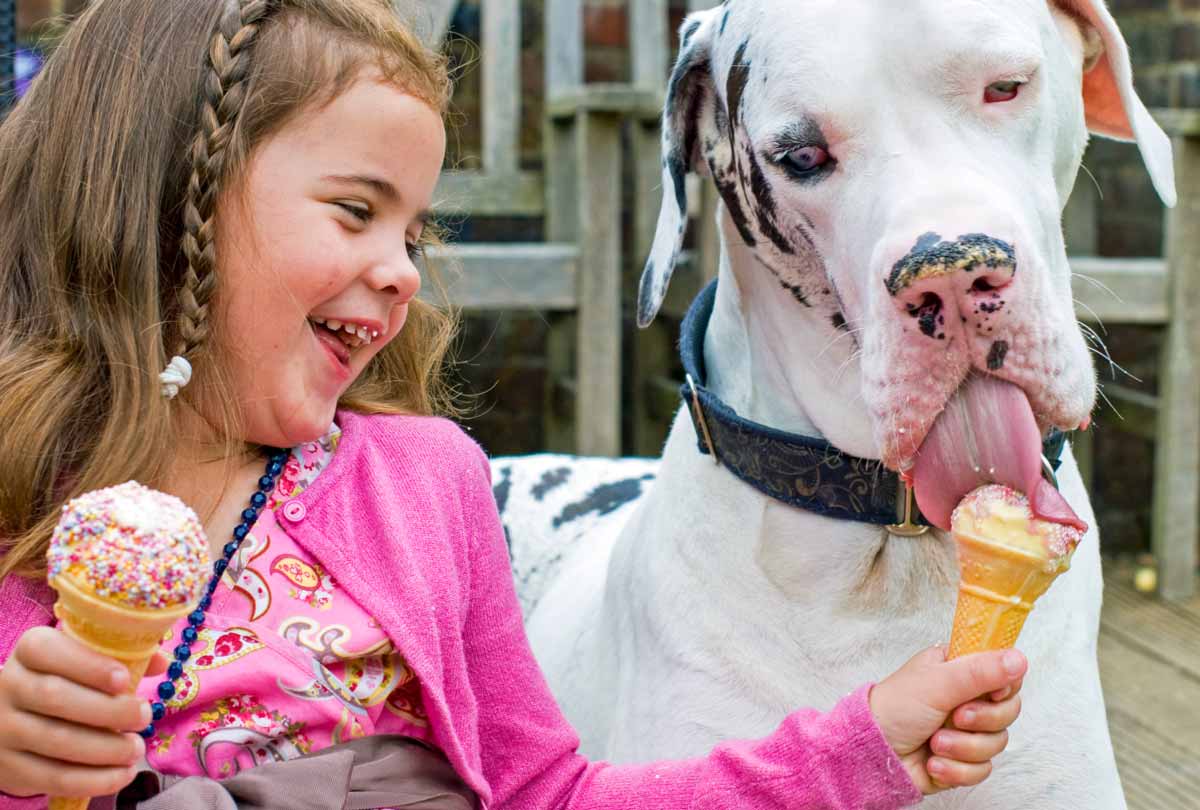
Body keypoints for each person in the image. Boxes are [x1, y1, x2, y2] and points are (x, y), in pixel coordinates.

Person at [0, 1, 1027, 807]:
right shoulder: (19, 494)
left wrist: (860, 748)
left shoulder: (423, 486)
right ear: (172, 196)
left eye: (413, 236)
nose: (402, 272)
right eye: (356, 211)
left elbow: (549, 796)